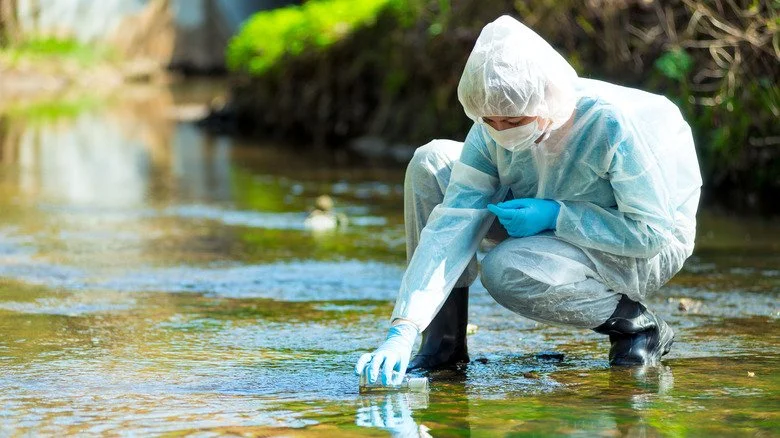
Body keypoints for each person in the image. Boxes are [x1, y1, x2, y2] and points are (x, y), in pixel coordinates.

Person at [355, 15, 702, 386]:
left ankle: (636, 326)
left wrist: (558, 216)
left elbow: (651, 233)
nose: (502, 132)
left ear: (546, 103)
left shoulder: (609, 125)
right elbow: (452, 222)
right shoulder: (489, 130)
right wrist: (403, 327)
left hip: (637, 242)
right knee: (433, 161)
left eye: (514, 121)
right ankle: (443, 344)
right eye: (490, 120)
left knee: (504, 269)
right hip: (539, 206)